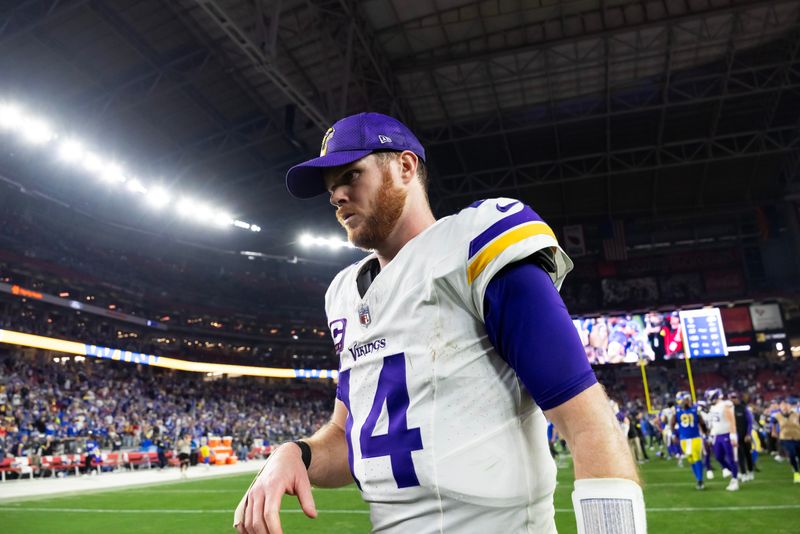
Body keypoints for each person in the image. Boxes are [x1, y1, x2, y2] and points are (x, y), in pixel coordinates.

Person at [234, 112, 645, 534]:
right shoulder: (343, 295)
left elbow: (588, 423)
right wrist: (295, 453)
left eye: (351, 175)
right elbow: (348, 436)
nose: (337, 195)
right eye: (330, 187)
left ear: (405, 166)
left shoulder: (472, 246)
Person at [670, 392, 708, 490]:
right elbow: (672, 423)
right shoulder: (676, 410)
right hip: (684, 439)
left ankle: (700, 480)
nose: (682, 402)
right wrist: (674, 434)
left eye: (684, 400)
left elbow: (702, 422)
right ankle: (698, 478)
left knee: (696, 457)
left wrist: (706, 433)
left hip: (695, 437)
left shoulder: (695, 409)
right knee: (690, 459)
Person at [707, 389, 740, 491]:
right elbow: (713, 423)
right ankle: (734, 472)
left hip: (727, 434)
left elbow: (732, 420)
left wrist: (733, 435)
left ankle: (734, 480)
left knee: (731, 458)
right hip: (717, 435)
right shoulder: (713, 407)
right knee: (718, 457)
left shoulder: (725, 405)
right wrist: (711, 435)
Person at [773, 397, 800, 483]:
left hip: (798, 437)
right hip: (786, 438)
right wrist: (773, 431)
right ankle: (796, 473)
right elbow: (773, 423)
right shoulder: (777, 416)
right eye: (783, 405)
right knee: (792, 454)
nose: (785, 407)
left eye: (787, 405)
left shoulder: (797, 415)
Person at [730, 392, 754, 482]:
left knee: (748, 454)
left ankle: (750, 471)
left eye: (735, 397)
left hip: (745, 435)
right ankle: (743, 473)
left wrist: (748, 434)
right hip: (735, 436)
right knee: (739, 455)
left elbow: (750, 422)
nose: (733, 399)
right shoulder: (729, 409)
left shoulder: (744, 408)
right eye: (732, 398)